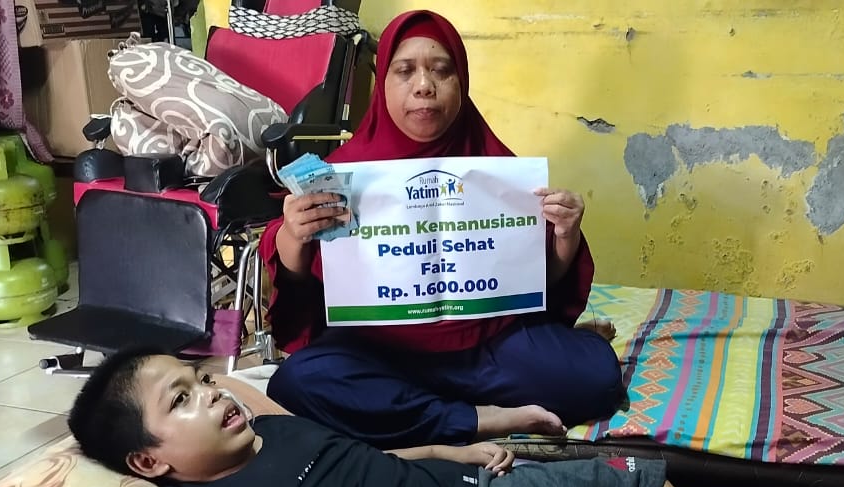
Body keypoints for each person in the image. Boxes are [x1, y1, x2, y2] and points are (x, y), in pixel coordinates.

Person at [67, 350, 778, 487]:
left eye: (204, 379)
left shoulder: (271, 431)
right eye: (182, 400)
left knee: (628, 481)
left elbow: (360, 457)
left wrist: (446, 449)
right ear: (148, 461)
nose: (214, 393)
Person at [259, 9, 624, 450]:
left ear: (461, 81)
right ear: (383, 82)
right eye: (405, 70)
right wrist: (293, 234)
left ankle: (411, 408)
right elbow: (298, 292)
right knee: (295, 384)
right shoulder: (340, 177)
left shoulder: (497, 170)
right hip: (378, 351)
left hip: (487, 349)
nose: (424, 85)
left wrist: (565, 234)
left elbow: (537, 283)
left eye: (441, 70)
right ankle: (479, 418)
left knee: (599, 377)